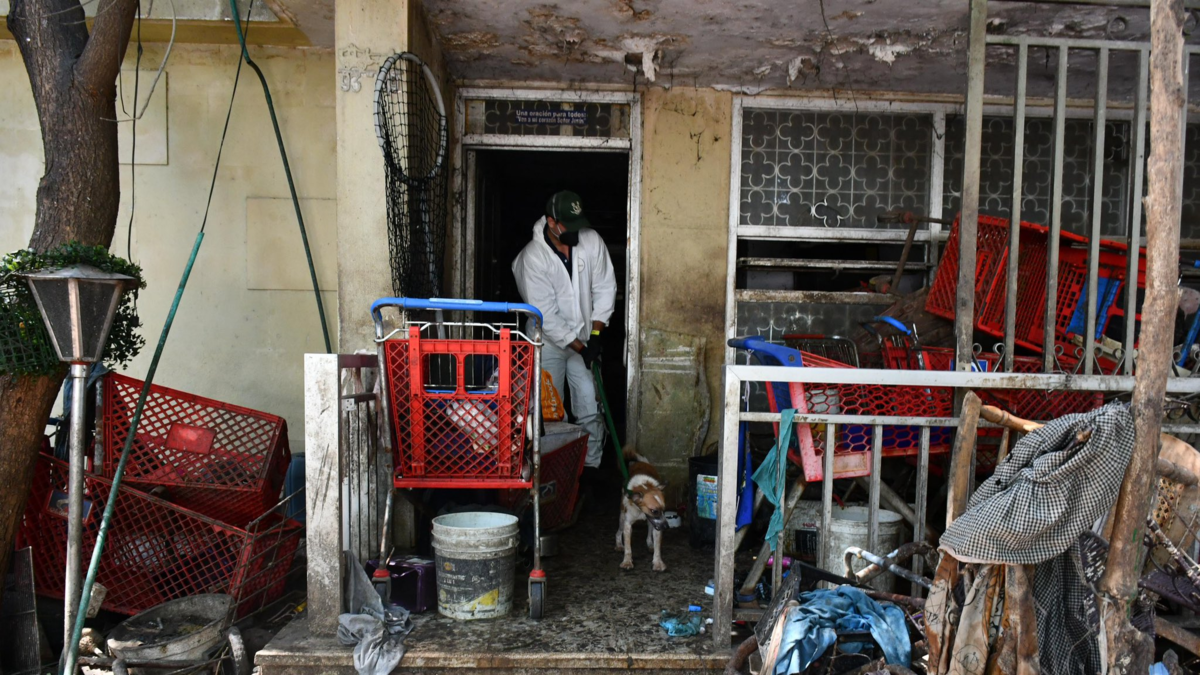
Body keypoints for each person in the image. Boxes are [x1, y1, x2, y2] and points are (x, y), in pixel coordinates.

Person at [512, 190, 616, 470]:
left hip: (584, 339)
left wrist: (594, 336)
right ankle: (550, 471)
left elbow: (605, 288)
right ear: (551, 222)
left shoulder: (591, 241)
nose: (575, 231)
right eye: (568, 226)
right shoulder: (532, 258)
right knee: (548, 413)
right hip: (547, 342)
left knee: (591, 408)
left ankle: (590, 470)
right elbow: (546, 314)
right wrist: (583, 348)